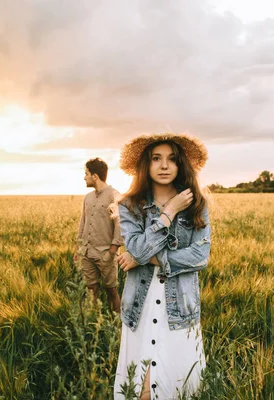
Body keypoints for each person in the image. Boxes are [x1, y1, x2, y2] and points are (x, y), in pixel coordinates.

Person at [113, 133, 211, 400]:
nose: (164, 165)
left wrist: (145, 257)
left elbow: (200, 256)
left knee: (178, 387)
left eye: (172, 159)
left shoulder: (197, 206)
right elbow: (136, 248)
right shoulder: (129, 206)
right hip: (140, 309)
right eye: (156, 158)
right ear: (146, 164)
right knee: (142, 390)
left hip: (180, 309)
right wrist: (169, 212)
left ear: (181, 166)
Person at [75, 157, 123, 313]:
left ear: (94, 176)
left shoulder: (114, 196)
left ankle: (117, 324)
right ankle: (94, 322)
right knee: (91, 290)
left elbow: (120, 225)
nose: (84, 177)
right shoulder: (87, 197)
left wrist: (112, 251)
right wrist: (79, 248)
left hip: (106, 254)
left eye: (86, 174)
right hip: (87, 253)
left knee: (111, 291)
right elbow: (83, 223)